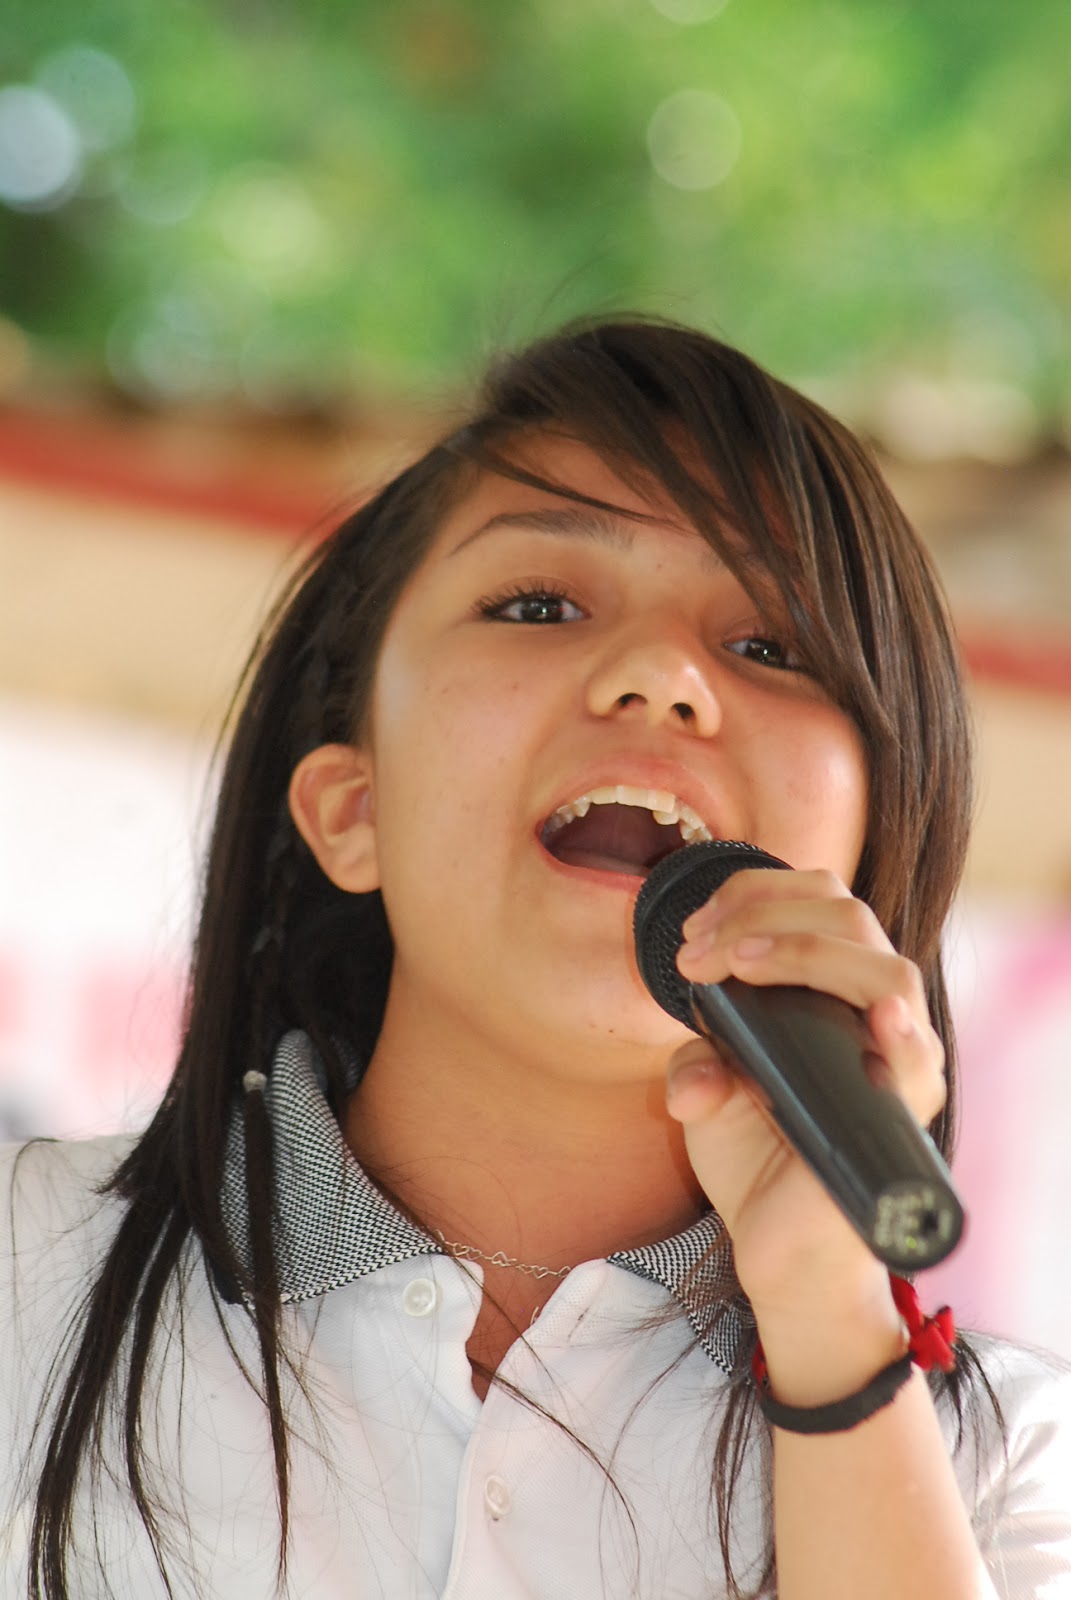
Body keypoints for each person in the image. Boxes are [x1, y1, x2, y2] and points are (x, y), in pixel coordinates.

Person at [2, 318, 1069, 1600]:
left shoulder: (1005, 1461)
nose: (660, 675)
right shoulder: (24, 1269)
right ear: (353, 809)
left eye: (771, 646)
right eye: (539, 604)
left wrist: (831, 1324)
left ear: (867, 852)